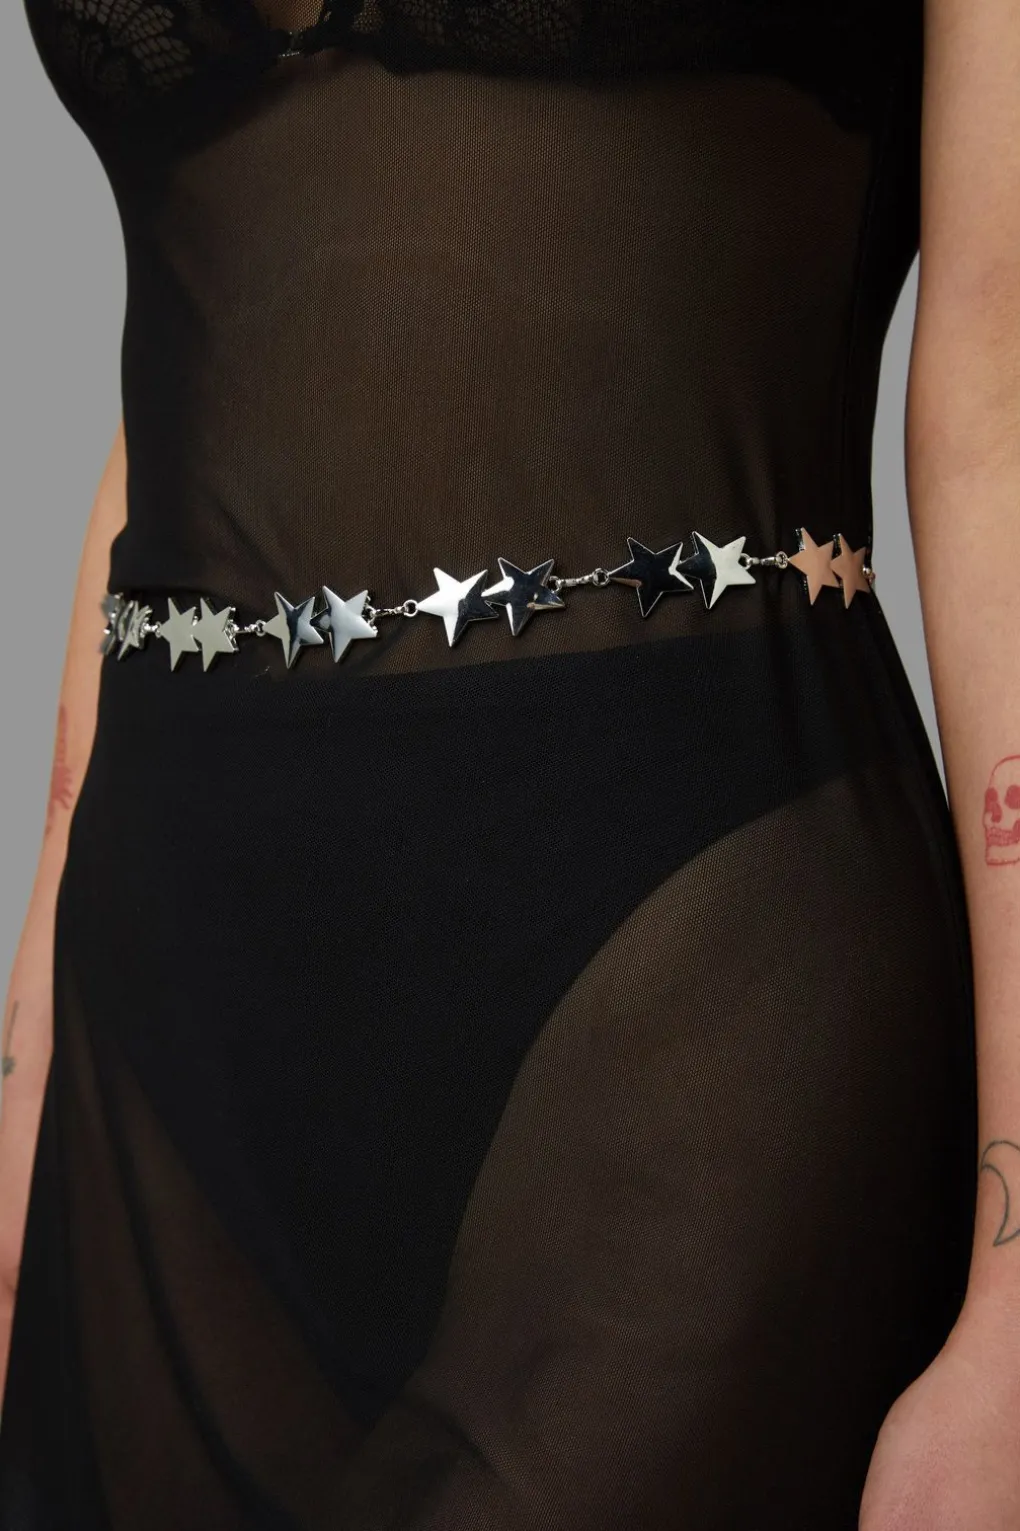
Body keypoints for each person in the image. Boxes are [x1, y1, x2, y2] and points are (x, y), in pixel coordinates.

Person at [1, 0, 1019, 1523]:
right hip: (161, 1006)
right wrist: (31, 1026)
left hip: (685, 961)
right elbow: (213, 372)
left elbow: (1003, 406)